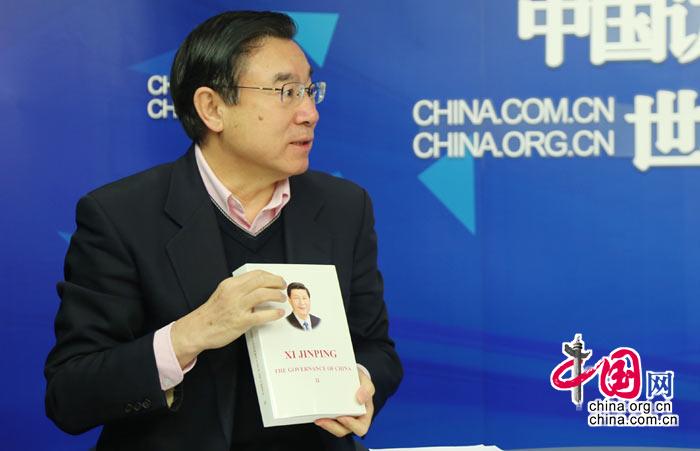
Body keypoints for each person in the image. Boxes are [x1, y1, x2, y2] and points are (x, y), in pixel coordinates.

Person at [44, 10, 402, 451]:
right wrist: (188, 335)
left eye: (309, 90)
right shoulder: (120, 216)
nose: (309, 112)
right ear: (212, 108)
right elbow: (70, 394)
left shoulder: (344, 207)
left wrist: (361, 382)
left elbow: (376, 349)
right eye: (286, 92)